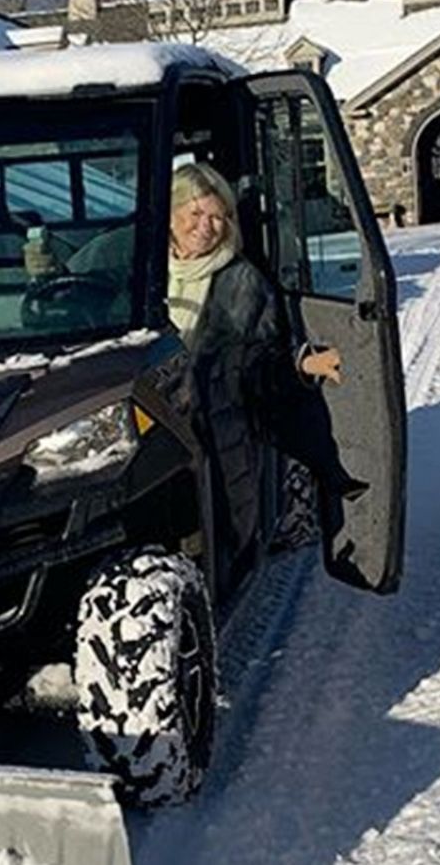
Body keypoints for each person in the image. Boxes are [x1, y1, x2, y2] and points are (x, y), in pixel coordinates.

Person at [165, 161, 356, 582]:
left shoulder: (242, 283)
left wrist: (300, 364)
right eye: (195, 214)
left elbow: (257, 362)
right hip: (152, 417)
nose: (208, 227)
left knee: (219, 539)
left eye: (218, 216)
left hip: (217, 424)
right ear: (171, 214)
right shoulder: (139, 271)